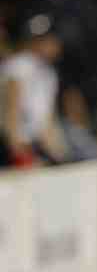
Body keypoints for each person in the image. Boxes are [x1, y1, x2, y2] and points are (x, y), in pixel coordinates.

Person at [0, 11, 68, 167]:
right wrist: (15, 146)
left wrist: (56, 149)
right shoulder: (18, 66)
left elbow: (45, 116)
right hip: (16, 143)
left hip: (37, 142)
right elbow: (11, 108)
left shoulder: (48, 72)